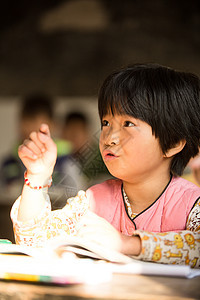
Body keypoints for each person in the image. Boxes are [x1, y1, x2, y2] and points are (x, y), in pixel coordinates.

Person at [11, 64, 200, 268]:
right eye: (106, 123)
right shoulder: (93, 201)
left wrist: (127, 243)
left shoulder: (192, 204)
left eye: (128, 124)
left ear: (172, 143)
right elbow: (34, 240)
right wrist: (37, 177)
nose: (110, 138)